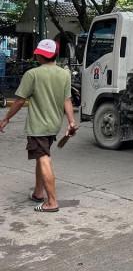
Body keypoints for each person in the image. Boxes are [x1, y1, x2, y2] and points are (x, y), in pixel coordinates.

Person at [0, 39, 76, 212]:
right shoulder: (64, 74)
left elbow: (20, 101)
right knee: (42, 156)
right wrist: (71, 121)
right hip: (54, 124)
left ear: (40, 55)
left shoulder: (32, 74)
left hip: (39, 125)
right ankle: (38, 193)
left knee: (43, 158)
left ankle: (52, 202)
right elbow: (67, 100)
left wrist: (6, 119)